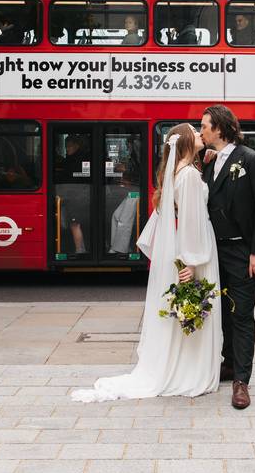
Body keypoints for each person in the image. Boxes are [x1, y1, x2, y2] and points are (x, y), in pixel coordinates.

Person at [71, 124, 222, 402]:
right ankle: (190, 370)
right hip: (197, 250)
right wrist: (193, 261)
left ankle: (181, 365)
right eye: (196, 132)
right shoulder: (188, 175)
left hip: (188, 247)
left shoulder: (177, 172)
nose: (201, 134)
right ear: (187, 142)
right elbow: (191, 222)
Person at [200, 104, 255, 410]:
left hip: (242, 252)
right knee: (218, 311)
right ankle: (228, 364)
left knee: (242, 314)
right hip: (212, 251)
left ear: (220, 128)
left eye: (205, 125)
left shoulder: (251, 160)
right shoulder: (207, 161)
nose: (201, 129)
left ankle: (241, 381)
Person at [57, 135, 89, 254]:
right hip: (76, 195)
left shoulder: (76, 159)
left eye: (68, 146)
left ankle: (80, 250)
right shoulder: (77, 158)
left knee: (74, 224)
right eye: (66, 147)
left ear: (76, 146)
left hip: (75, 196)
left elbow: (70, 177)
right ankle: (81, 249)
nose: (67, 149)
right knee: (73, 224)